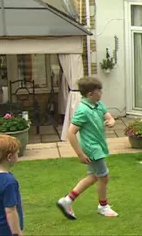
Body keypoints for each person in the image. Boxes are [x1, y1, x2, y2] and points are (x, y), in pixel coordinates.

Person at [56, 76, 118, 219]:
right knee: (104, 177)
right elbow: (71, 133)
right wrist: (80, 154)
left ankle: (67, 200)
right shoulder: (83, 111)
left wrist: (111, 121)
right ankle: (103, 206)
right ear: (90, 94)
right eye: (99, 91)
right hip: (92, 149)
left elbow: (108, 117)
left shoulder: (99, 105)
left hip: (99, 146)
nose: (101, 93)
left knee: (93, 176)